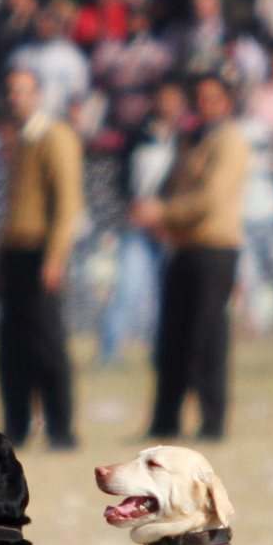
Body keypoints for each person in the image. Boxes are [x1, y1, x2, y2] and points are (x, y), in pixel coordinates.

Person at [139, 74, 250, 441]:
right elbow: (169, 184)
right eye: (199, 98)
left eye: (213, 98)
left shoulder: (230, 142)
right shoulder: (190, 138)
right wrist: (155, 207)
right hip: (183, 247)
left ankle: (212, 422)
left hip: (215, 248)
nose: (205, 105)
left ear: (226, 102)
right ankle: (164, 421)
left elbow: (210, 199)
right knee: (172, 339)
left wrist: (163, 213)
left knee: (208, 338)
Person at [0, 67, 83, 450]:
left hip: (40, 254)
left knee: (47, 344)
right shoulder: (20, 141)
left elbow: (67, 204)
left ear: (38, 95)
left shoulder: (54, 137)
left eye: (23, 91)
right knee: (12, 347)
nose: (16, 99)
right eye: (11, 92)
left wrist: (55, 257)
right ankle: (16, 426)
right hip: (15, 254)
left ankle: (60, 428)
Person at [98, 91, 178, 366]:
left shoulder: (185, 138)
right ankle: (110, 350)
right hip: (137, 224)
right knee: (129, 287)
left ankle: (162, 352)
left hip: (171, 226)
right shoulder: (137, 136)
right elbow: (122, 180)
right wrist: (133, 208)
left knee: (166, 294)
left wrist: (167, 215)